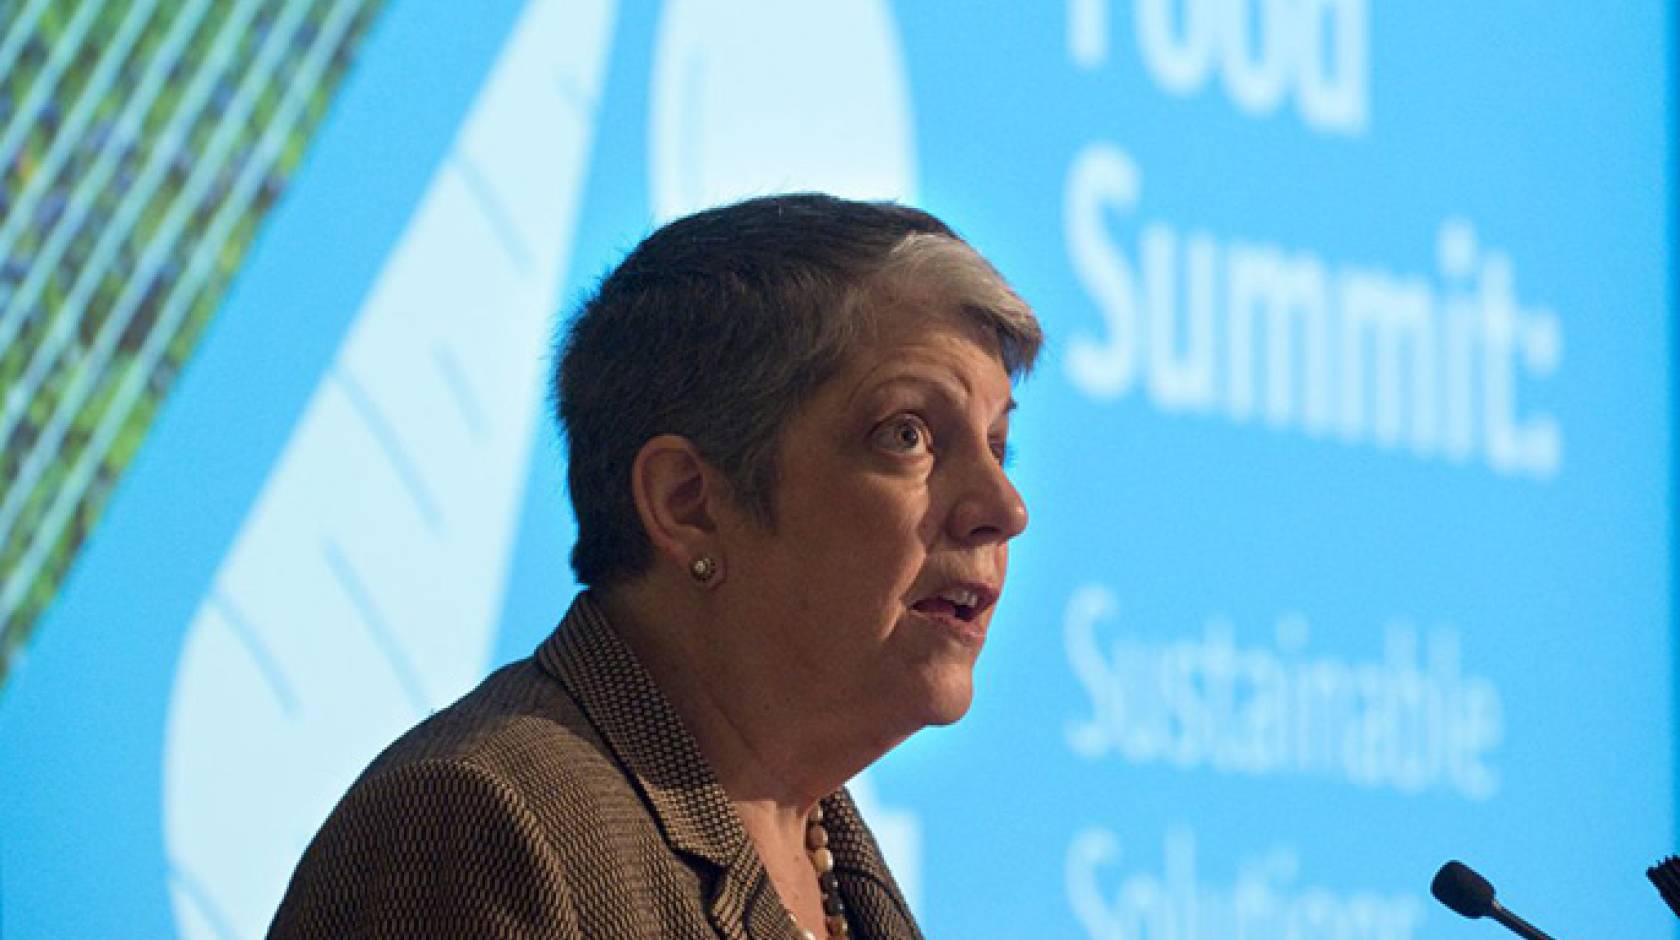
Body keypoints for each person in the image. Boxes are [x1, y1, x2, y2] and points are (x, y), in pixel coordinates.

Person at [269, 193, 1042, 939]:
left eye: (999, 446)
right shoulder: (483, 825)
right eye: (906, 435)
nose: (1003, 507)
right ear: (688, 503)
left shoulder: (836, 863)